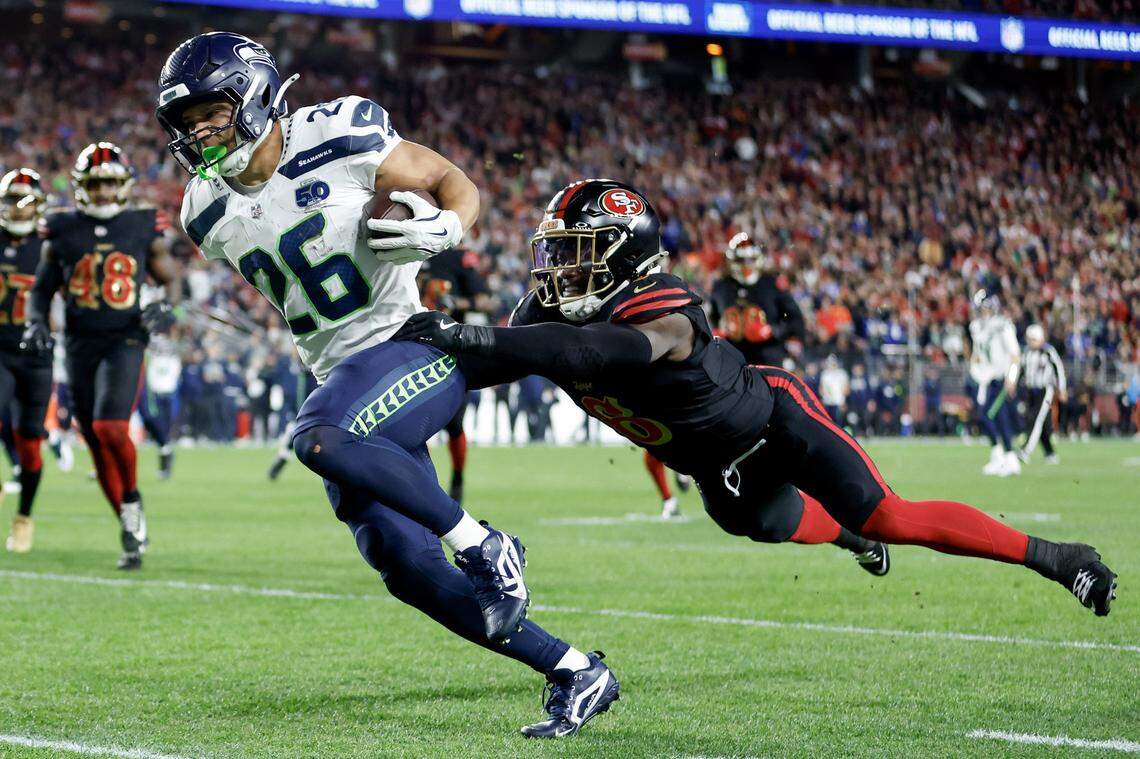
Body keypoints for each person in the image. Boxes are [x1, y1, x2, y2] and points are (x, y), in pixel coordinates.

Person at [156, 32, 617, 738]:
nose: (198, 131)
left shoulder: (341, 131)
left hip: (413, 346)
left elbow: (457, 185)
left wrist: (444, 228)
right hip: (343, 377)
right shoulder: (202, 211)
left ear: (253, 95)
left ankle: (488, 544)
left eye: (210, 111)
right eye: (184, 122)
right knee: (403, 563)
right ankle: (576, 669)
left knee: (315, 437)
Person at [395, 179, 1118, 629]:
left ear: (622, 255)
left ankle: (1058, 557)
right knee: (766, 526)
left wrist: (475, 334)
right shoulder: (543, 312)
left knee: (891, 515)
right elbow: (486, 368)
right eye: (558, 250)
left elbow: (596, 355)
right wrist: (408, 375)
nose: (559, 268)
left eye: (579, 251)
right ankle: (846, 538)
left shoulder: (667, 303)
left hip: (774, 419)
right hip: (715, 471)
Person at [24, 144, 180, 570]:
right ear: (81, 187)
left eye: (111, 182)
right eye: (96, 183)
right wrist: (37, 320)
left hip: (125, 337)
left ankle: (132, 502)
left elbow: (170, 277)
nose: (105, 191)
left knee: (110, 427)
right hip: (78, 344)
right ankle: (129, 528)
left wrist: (167, 304)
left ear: (124, 183)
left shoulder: (143, 222)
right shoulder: (61, 228)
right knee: (93, 440)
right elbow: (40, 288)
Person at [0, 169, 53, 553]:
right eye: (11, 201)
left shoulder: (53, 244)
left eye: (26, 202)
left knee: (30, 444)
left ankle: (24, 517)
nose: (18, 210)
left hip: (36, 355)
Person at [418, 247, 494, 504]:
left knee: (454, 424)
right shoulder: (398, 250)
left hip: (449, 350)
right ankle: (422, 483)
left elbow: (485, 300)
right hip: (409, 347)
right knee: (413, 425)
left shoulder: (456, 257)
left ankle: (458, 477)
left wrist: (456, 303)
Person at [707, 231, 804, 366]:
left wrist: (773, 331)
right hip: (731, 359)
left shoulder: (771, 283)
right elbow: (712, 319)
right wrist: (718, 332)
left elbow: (794, 318)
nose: (746, 264)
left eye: (751, 259)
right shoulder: (721, 287)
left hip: (768, 356)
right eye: (741, 260)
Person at [968, 291, 1021, 477]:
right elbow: (977, 353)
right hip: (985, 380)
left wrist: (1012, 377)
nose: (981, 312)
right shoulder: (976, 327)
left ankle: (1010, 458)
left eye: (984, 307)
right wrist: (975, 369)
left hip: (1000, 379)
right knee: (986, 417)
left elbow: (1014, 354)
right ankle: (999, 455)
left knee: (995, 416)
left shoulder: (1002, 325)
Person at [1018, 324, 1067, 464]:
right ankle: (1050, 453)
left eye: (1033, 339)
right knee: (1042, 423)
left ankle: (1025, 451)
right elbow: (1021, 370)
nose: (1030, 342)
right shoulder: (1026, 352)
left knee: (1036, 420)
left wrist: (1062, 389)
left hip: (1045, 390)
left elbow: (1059, 370)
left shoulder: (1048, 351)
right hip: (1030, 391)